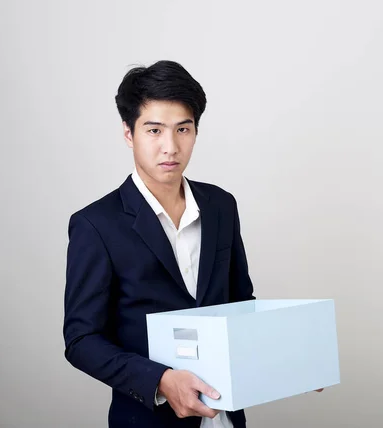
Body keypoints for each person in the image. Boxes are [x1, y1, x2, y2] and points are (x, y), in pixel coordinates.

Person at [63, 60, 255, 428]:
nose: (171, 146)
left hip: (226, 415)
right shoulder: (95, 224)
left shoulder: (221, 206)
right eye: (154, 130)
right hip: (150, 419)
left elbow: (241, 304)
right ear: (128, 133)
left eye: (183, 129)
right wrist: (161, 381)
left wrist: (288, 359)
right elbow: (82, 339)